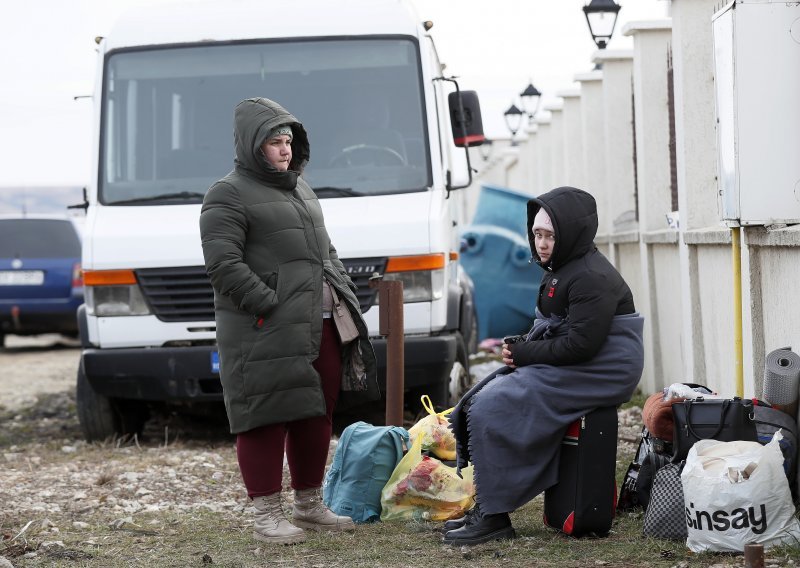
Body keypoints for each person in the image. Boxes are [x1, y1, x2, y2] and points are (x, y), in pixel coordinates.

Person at [199, 97, 376, 545]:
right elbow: (223, 265)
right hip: (265, 326)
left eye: (289, 141)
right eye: (275, 142)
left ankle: (309, 505)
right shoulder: (227, 192)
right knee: (264, 415)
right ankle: (266, 516)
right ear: (252, 145)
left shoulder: (301, 188)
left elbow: (325, 250)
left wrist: (341, 291)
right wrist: (270, 305)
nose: (285, 150)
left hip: (320, 323)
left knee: (316, 410)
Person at [443, 186, 645, 546]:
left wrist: (524, 355)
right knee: (480, 397)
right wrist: (522, 346)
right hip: (583, 361)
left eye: (550, 235)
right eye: (537, 234)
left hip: (604, 369)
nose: (542, 243)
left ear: (572, 233)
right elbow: (557, 329)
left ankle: (494, 517)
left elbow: (582, 345)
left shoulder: (589, 277)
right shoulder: (560, 267)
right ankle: (488, 504)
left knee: (495, 404)